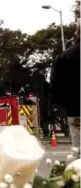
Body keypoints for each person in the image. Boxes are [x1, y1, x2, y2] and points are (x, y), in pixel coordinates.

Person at [50, 23, 80, 151]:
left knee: (79, 155)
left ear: (76, 34)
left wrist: (67, 106)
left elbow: (54, 87)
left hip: (75, 111)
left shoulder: (64, 57)